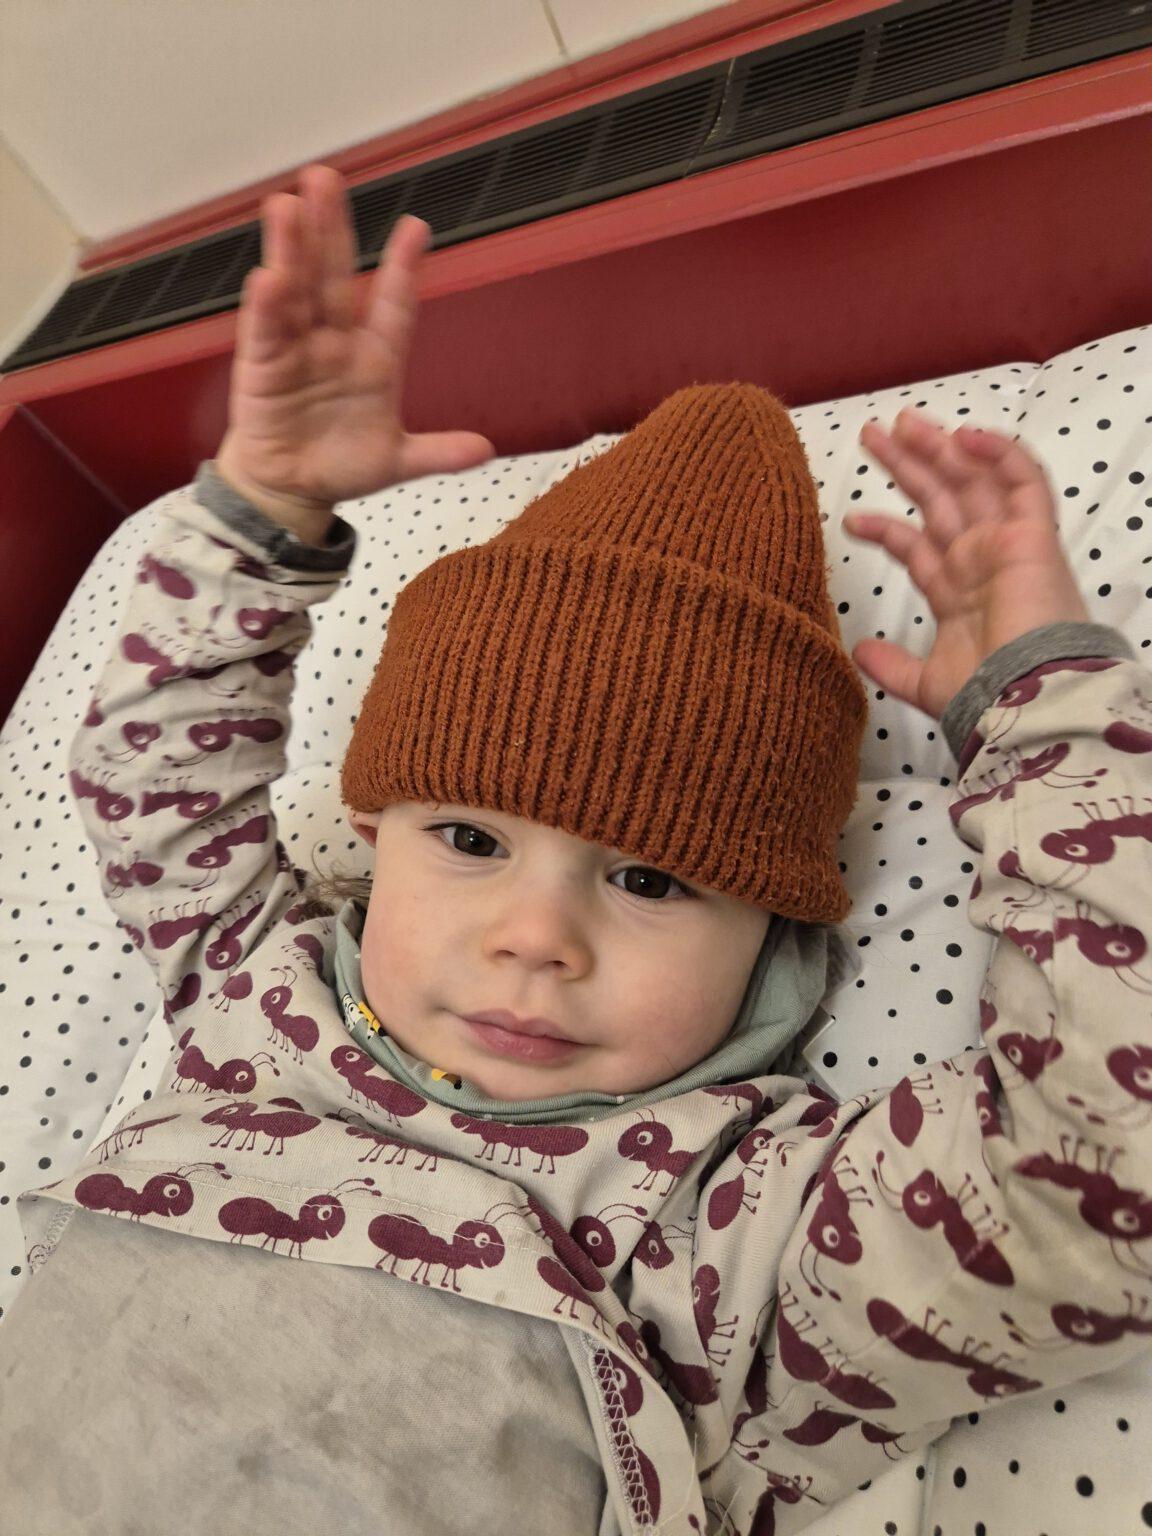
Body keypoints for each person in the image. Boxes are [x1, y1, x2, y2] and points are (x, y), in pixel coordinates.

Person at [1, 162, 1148, 1536]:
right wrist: (255, 521)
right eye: (469, 837)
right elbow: (146, 775)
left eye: (650, 879)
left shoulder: (752, 1225)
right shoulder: (256, 985)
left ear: (776, 931)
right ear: (372, 835)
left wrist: (1040, 711)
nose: (535, 939)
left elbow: (1100, 1174)